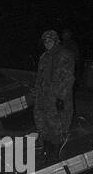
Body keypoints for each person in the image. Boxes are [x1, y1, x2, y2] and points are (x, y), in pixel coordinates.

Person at [32, 29, 76, 160]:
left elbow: (68, 78)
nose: (47, 43)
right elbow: (39, 77)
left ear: (56, 41)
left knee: (57, 125)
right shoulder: (43, 57)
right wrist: (36, 91)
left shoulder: (65, 55)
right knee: (42, 122)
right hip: (43, 97)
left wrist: (61, 97)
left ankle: (56, 153)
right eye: (45, 41)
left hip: (57, 97)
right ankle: (46, 150)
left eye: (50, 40)